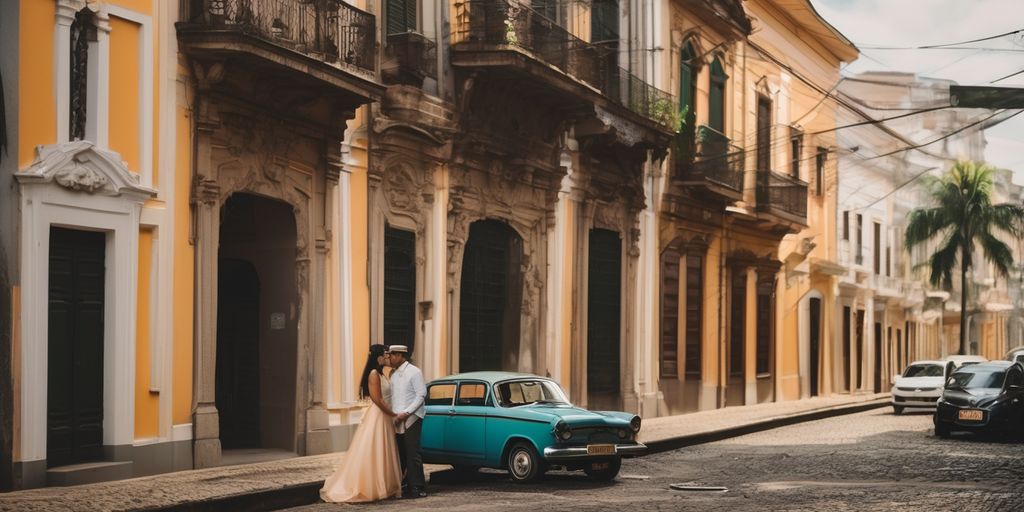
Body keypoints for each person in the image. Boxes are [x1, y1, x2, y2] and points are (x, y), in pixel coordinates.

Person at [320, 344, 402, 503]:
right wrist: (393, 414)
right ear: (378, 356)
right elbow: (377, 400)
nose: (388, 357)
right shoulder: (373, 374)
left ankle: (383, 484)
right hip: (379, 416)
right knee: (375, 450)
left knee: (384, 450)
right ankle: (370, 486)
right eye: (386, 354)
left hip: (384, 416)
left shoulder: (383, 374)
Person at [388, 344, 428, 499]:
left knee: (413, 453)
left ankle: (418, 487)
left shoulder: (414, 372)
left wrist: (407, 412)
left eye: (392, 355)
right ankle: (405, 485)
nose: (390, 358)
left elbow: (421, 394)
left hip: (412, 417)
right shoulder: (393, 374)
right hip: (397, 418)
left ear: (400, 355)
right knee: (401, 454)